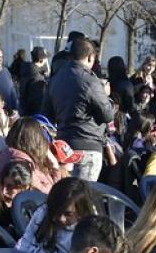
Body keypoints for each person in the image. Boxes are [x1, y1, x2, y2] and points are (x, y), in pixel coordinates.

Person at [43, 38, 114, 182]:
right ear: (90, 57)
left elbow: (47, 114)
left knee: (65, 195)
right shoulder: (90, 80)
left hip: (63, 146)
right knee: (81, 198)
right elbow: (107, 115)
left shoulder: (56, 79)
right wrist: (106, 95)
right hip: (88, 145)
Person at [16, 177, 99, 253]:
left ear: (82, 211)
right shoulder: (43, 212)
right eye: (55, 211)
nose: (60, 218)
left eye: (68, 214)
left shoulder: (87, 233)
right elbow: (26, 241)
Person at [0, 117, 59, 193]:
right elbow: (48, 194)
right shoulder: (21, 162)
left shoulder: (17, 155)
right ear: (35, 141)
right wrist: (55, 167)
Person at [18, 46, 48, 116]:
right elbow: (38, 100)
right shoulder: (37, 77)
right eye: (45, 58)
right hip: (34, 114)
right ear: (41, 59)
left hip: (24, 111)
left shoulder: (27, 70)